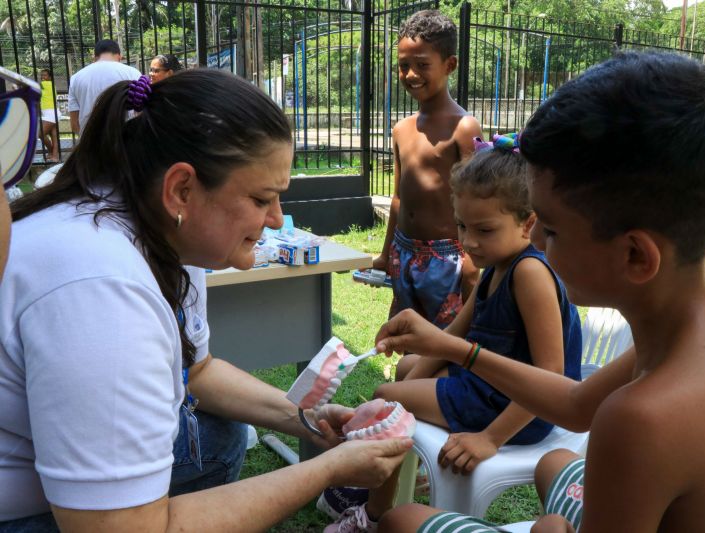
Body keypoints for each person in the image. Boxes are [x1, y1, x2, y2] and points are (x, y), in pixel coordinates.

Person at [373, 51, 705, 532]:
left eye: (550, 229)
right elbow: (576, 408)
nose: (534, 242)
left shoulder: (639, 420)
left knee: (404, 521)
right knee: (555, 463)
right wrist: (457, 350)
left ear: (636, 256)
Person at [0, 69, 411, 532]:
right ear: (182, 189)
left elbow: (198, 369)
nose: (276, 219)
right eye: (261, 198)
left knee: (220, 436)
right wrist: (327, 469)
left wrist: (310, 420)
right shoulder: (102, 291)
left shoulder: (161, 227)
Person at [323, 134, 583, 533]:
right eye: (462, 225)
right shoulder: (496, 267)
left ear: (527, 222)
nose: (468, 241)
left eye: (485, 229)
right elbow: (448, 339)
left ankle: (372, 516)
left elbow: (552, 380)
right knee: (408, 371)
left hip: (516, 409)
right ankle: (397, 471)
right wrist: (414, 374)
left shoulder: (529, 274)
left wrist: (491, 439)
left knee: (385, 398)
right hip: (486, 385)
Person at [372, 9, 482, 329]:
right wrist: (386, 253)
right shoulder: (401, 129)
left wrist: (472, 261)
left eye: (422, 65)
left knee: (445, 342)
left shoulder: (463, 127)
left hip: (448, 261)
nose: (410, 74)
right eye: (403, 66)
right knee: (410, 337)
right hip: (403, 253)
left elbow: (479, 200)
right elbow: (398, 199)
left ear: (449, 65)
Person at [67, 39, 140, 135]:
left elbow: (74, 124)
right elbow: (140, 113)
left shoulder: (76, 78)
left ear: (95, 57)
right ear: (119, 56)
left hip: (89, 143)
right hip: (124, 142)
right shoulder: (133, 73)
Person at [38, 68, 60, 162]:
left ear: (50, 77)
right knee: (54, 136)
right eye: (41, 75)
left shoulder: (45, 84)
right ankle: (54, 156)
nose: (42, 77)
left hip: (51, 114)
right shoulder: (50, 85)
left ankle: (51, 152)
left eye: (45, 75)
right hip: (52, 113)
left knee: (40, 134)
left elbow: (31, 86)